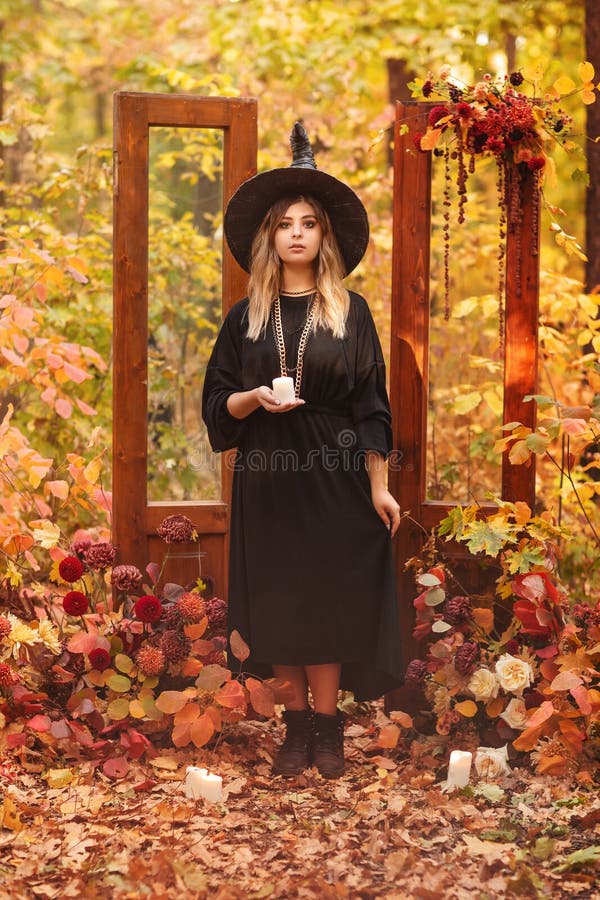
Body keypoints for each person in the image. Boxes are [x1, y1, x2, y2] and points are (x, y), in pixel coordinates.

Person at [202, 123, 403, 779]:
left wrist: (378, 484)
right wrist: (256, 396)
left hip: (336, 471)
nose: (296, 233)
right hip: (268, 473)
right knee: (282, 599)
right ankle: (295, 729)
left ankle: (328, 726)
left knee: (329, 595)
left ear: (324, 236)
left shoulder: (353, 312)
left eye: (309, 223)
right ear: (269, 235)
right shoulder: (245, 317)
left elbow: (371, 404)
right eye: (285, 222)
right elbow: (219, 403)